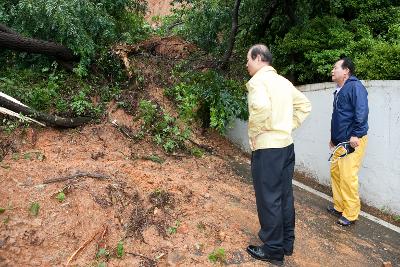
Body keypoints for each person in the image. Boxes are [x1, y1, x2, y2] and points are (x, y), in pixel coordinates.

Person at [245, 44, 311, 265]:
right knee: (284, 195)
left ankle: (273, 250)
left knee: (269, 198)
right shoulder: (283, 82)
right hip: (286, 146)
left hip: (268, 147)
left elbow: (261, 108)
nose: (246, 64)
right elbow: (305, 105)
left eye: (248, 60)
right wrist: (286, 126)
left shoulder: (258, 82)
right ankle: (286, 243)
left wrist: (255, 134)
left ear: (257, 58)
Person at [327, 57, 368, 226]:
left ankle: (351, 213)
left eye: (335, 67)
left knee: (348, 176)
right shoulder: (340, 89)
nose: (332, 70)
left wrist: (356, 134)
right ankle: (340, 206)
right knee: (336, 172)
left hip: (352, 140)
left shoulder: (355, 87)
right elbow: (339, 116)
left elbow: (361, 112)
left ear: (346, 71)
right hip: (340, 141)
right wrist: (333, 138)